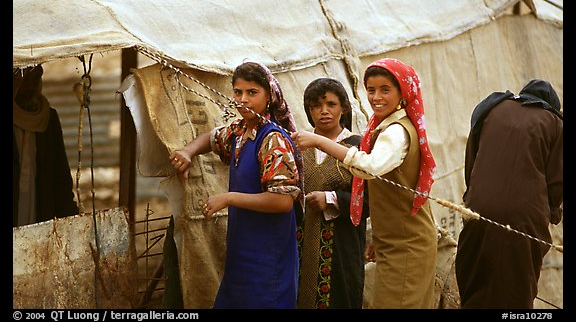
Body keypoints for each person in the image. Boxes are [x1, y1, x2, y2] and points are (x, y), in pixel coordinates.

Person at [292, 58, 438, 309]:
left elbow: (369, 168)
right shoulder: (383, 129)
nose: (376, 97)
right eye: (371, 90)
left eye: (385, 89)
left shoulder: (394, 132)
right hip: (392, 239)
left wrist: (320, 143)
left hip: (403, 242)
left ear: (403, 91)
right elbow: (387, 192)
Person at [169, 60, 302, 309]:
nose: (243, 100)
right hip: (243, 249)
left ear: (269, 96)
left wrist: (229, 198)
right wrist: (188, 152)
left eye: (252, 93)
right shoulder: (240, 132)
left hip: (268, 253)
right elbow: (211, 138)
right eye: (238, 92)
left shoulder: (273, 140)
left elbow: (283, 201)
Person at [455, 79, 563, 309]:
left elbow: (472, 158)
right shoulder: (555, 123)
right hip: (524, 216)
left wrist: (474, 195)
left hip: (479, 207)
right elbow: (557, 181)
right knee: (517, 289)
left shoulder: (493, 108)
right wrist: (553, 211)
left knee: (476, 278)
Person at [295, 78, 367, 309]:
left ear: (343, 107)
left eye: (331, 104)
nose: (324, 111)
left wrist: (329, 199)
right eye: (316, 105)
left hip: (341, 244)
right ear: (309, 110)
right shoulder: (298, 146)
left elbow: (370, 201)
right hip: (299, 241)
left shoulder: (358, 148)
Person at [13, 65, 79, 227]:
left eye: (34, 79)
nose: (29, 86)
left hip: (40, 212)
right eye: (23, 80)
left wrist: (71, 223)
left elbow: (60, 174)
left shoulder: (48, 118)